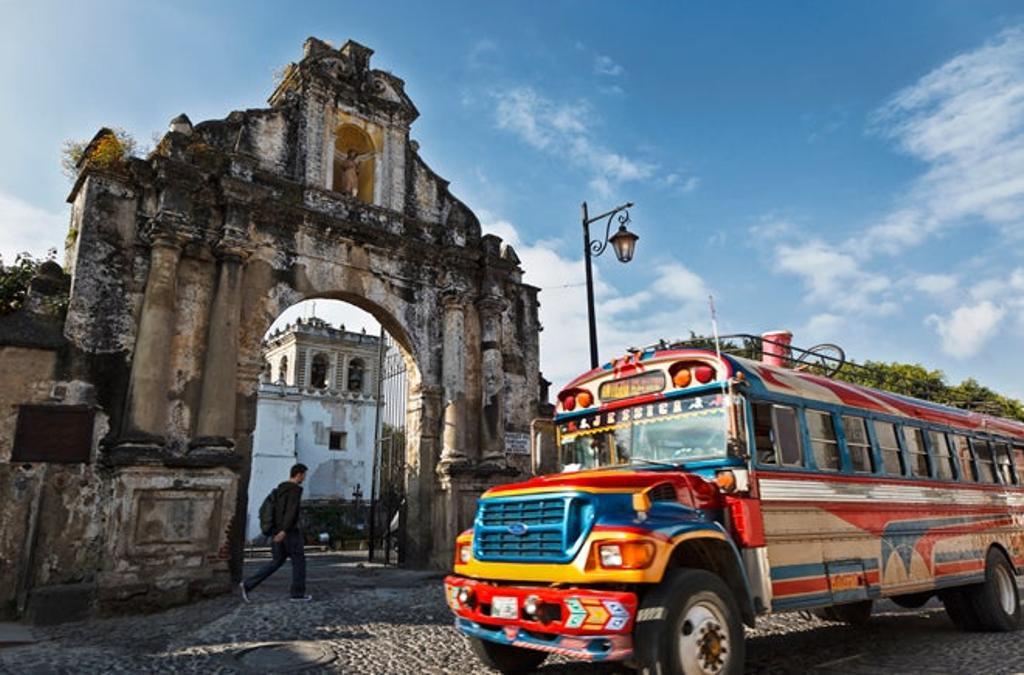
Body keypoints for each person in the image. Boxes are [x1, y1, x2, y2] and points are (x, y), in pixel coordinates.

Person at [240, 463, 312, 602]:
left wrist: (278, 531)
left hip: (276, 531)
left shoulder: (279, 489)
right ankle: (297, 594)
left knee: (276, 561)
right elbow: (291, 512)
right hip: (288, 532)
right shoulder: (295, 490)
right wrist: (284, 531)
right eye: (304, 475)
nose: (304, 477)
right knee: (299, 561)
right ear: (299, 474)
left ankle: (248, 585)